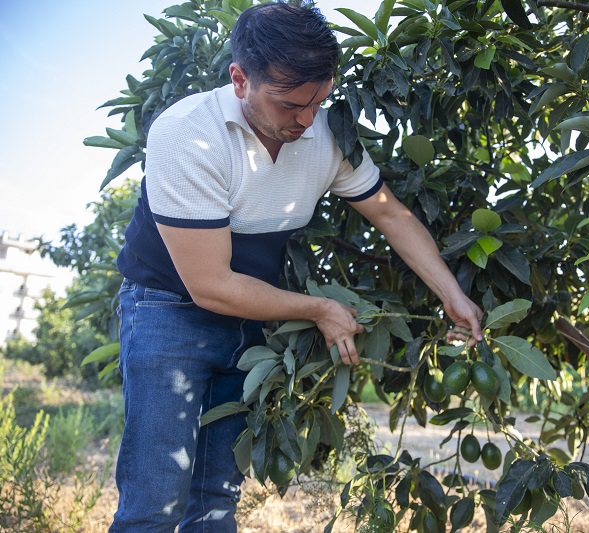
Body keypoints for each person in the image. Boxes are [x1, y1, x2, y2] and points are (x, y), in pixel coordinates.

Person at [109, 3, 483, 531]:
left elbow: (391, 215)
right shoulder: (188, 135)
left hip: (249, 322)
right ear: (240, 80)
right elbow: (211, 286)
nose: (306, 120)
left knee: (216, 495)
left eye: (318, 101)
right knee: (155, 499)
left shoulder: (322, 133)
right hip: (168, 314)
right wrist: (320, 309)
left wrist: (451, 293)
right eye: (289, 104)